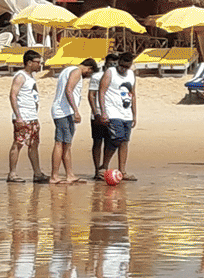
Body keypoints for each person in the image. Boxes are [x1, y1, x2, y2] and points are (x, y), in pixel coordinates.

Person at [48, 57, 99, 184]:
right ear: (89, 68)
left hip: (63, 111)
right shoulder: (76, 72)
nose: (88, 76)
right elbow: (69, 90)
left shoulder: (68, 70)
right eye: (90, 73)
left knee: (67, 144)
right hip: (64, 112)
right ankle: (54, 176)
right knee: (60, 143)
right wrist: (76, 110)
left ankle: (69, 174)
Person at [7, 50, 48, 183]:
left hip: (32, 116)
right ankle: (12, 174)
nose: (39, 65)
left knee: (34, 144)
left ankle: (37, 173)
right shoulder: (20, 76)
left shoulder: (31, 77)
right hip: (23, 116)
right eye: (37, 62)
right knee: (18, 143)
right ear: (29, 63)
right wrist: (18, 116)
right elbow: (13, 95)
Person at [99, 50, 138, 181]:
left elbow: (133, 94)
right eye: (122, 65)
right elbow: (102, 92)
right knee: (117, 138)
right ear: (118, 62)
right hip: (112, 112)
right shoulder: (110, 72)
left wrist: (134, 114)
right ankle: (104, 165)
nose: (123, 69)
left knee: (125, 141)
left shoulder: (131, 74)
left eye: (127, 66)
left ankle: (123, 171)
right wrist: (103, 112)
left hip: (126, 113)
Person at [87, 53, 117, 177]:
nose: (113, 66)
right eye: (111, 63)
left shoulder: (117, 77)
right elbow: (91, 95)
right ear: (106, 64)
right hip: (98, 113)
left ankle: (104, 166)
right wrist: (96, 112)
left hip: (113, 114)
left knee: (111, 141)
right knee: (97, 141)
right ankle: (96, 170)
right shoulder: (97, 76)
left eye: (115, 64)